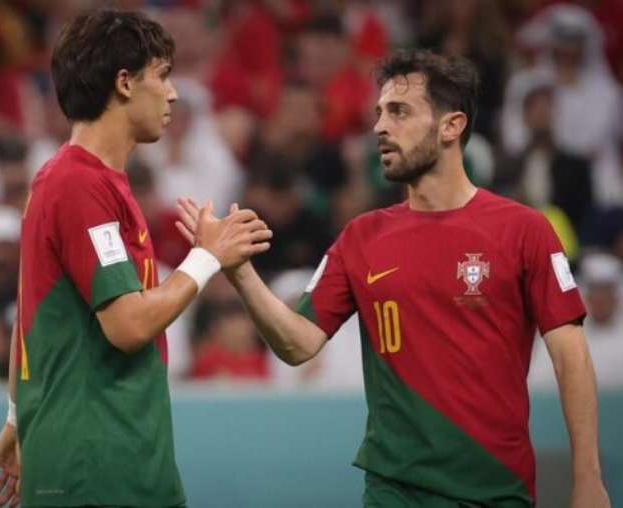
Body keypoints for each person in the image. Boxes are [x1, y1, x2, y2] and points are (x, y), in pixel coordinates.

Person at [177, 50, 609, 507]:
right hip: (393, 489)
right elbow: (298, 344)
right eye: (379, 112)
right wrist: (239, 271)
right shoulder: (361, 236)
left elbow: (571, 359)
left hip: (494, 490)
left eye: (399, 111)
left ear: (451, 126)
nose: (381, 126)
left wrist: (588, 478)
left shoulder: (524, 230)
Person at [0, 9, 272, 508]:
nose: (174, 93)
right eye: (162, 75)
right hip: (98, 467)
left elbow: (27, 317)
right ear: (123, 83)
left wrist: (16, 415)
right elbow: (128, 325)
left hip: (113, 459)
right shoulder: (80, 186)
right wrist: (206, 258)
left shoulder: (74, 181)